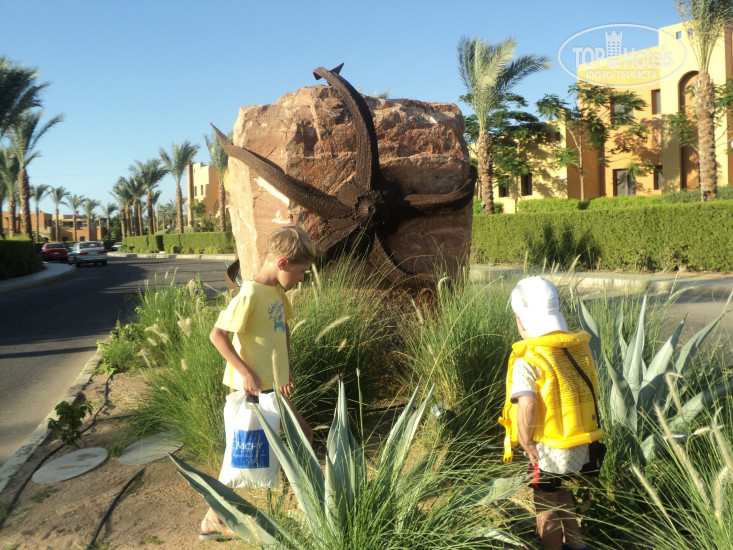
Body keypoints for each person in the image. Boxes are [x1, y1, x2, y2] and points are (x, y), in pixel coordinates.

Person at [199, 225, 318, 541]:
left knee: (302, 435)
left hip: (272, 386)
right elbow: (217, 335)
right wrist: (246, 373)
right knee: (240, 456)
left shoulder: (277, 292)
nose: (302, 279)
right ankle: (212, 519)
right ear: (282, 263)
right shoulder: (250, 294)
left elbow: (283, 330)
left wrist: (285, 373)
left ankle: (310, 501)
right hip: (253, 390)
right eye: (301, 271)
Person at [498, 277, 603, 550]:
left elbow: (528, 404)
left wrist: (525, 440)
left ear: (520, 320)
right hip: (577, 442)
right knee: (560, 489)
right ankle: (577, 544)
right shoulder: (576, 347)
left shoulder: (528, 359)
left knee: (544, 508)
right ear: (559, 313)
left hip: (547, 449)